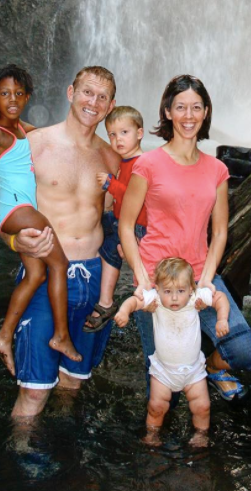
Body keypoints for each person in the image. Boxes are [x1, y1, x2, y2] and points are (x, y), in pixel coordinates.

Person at [0, 65, 120, 417]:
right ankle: (22, 457)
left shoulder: (112, 158)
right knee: (33, 392)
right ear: (70, 92)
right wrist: (15, 244)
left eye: (102, 97)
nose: (94, 102)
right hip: (46, 274)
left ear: (111, 106)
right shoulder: (33, 145)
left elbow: (111, 221)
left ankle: (64, 452)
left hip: (92, 279)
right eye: (87, 92)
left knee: (73, 382)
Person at [119, 74, 251, 401]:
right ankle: (160, 445)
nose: (189, 115)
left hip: (199, 275)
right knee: (158, 374)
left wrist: (208, 282)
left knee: (244, 352)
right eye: (180, 107)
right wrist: (142, 280)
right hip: (156, 278)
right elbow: (126, 226)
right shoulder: (147, 164)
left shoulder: (217, 170)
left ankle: (210, 367)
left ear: (206, 112)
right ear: (168, 111)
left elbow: (221, 230)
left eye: (196, 107)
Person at [0, 65, 82, 375]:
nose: (13, 99)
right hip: (18, 210)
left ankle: (3, 336)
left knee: (36, 275)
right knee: (60, 265)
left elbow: (52, 135)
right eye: (4, 94)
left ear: (28, 96)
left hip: (15, 211)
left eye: (19, 93)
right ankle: (61, 336)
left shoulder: (21, 129)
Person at [115, 257, 230, 447]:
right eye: (168, 291)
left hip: (194, 371)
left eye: (181, 291)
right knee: (156, 407)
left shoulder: (195, 299)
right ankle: (152, 435)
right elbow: (134, 301)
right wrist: (124, 312)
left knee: (202, 407)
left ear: (191, 289)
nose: (174, 297)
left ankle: (201, 435)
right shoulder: (156, 300)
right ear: (158, 289)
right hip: (163, 371)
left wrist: (222, 319)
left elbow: (220, 298)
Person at [85, 106, 148, 333]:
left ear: (139, 133)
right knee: (98, 231)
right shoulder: (126, 160)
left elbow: (136, 196)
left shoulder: (142, 162)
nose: (117, 139)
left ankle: (110, 301)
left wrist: (111, 183)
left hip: (137, 226)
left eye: (124, 132)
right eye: (112, 134)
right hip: (121, 220)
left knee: (113, 251)